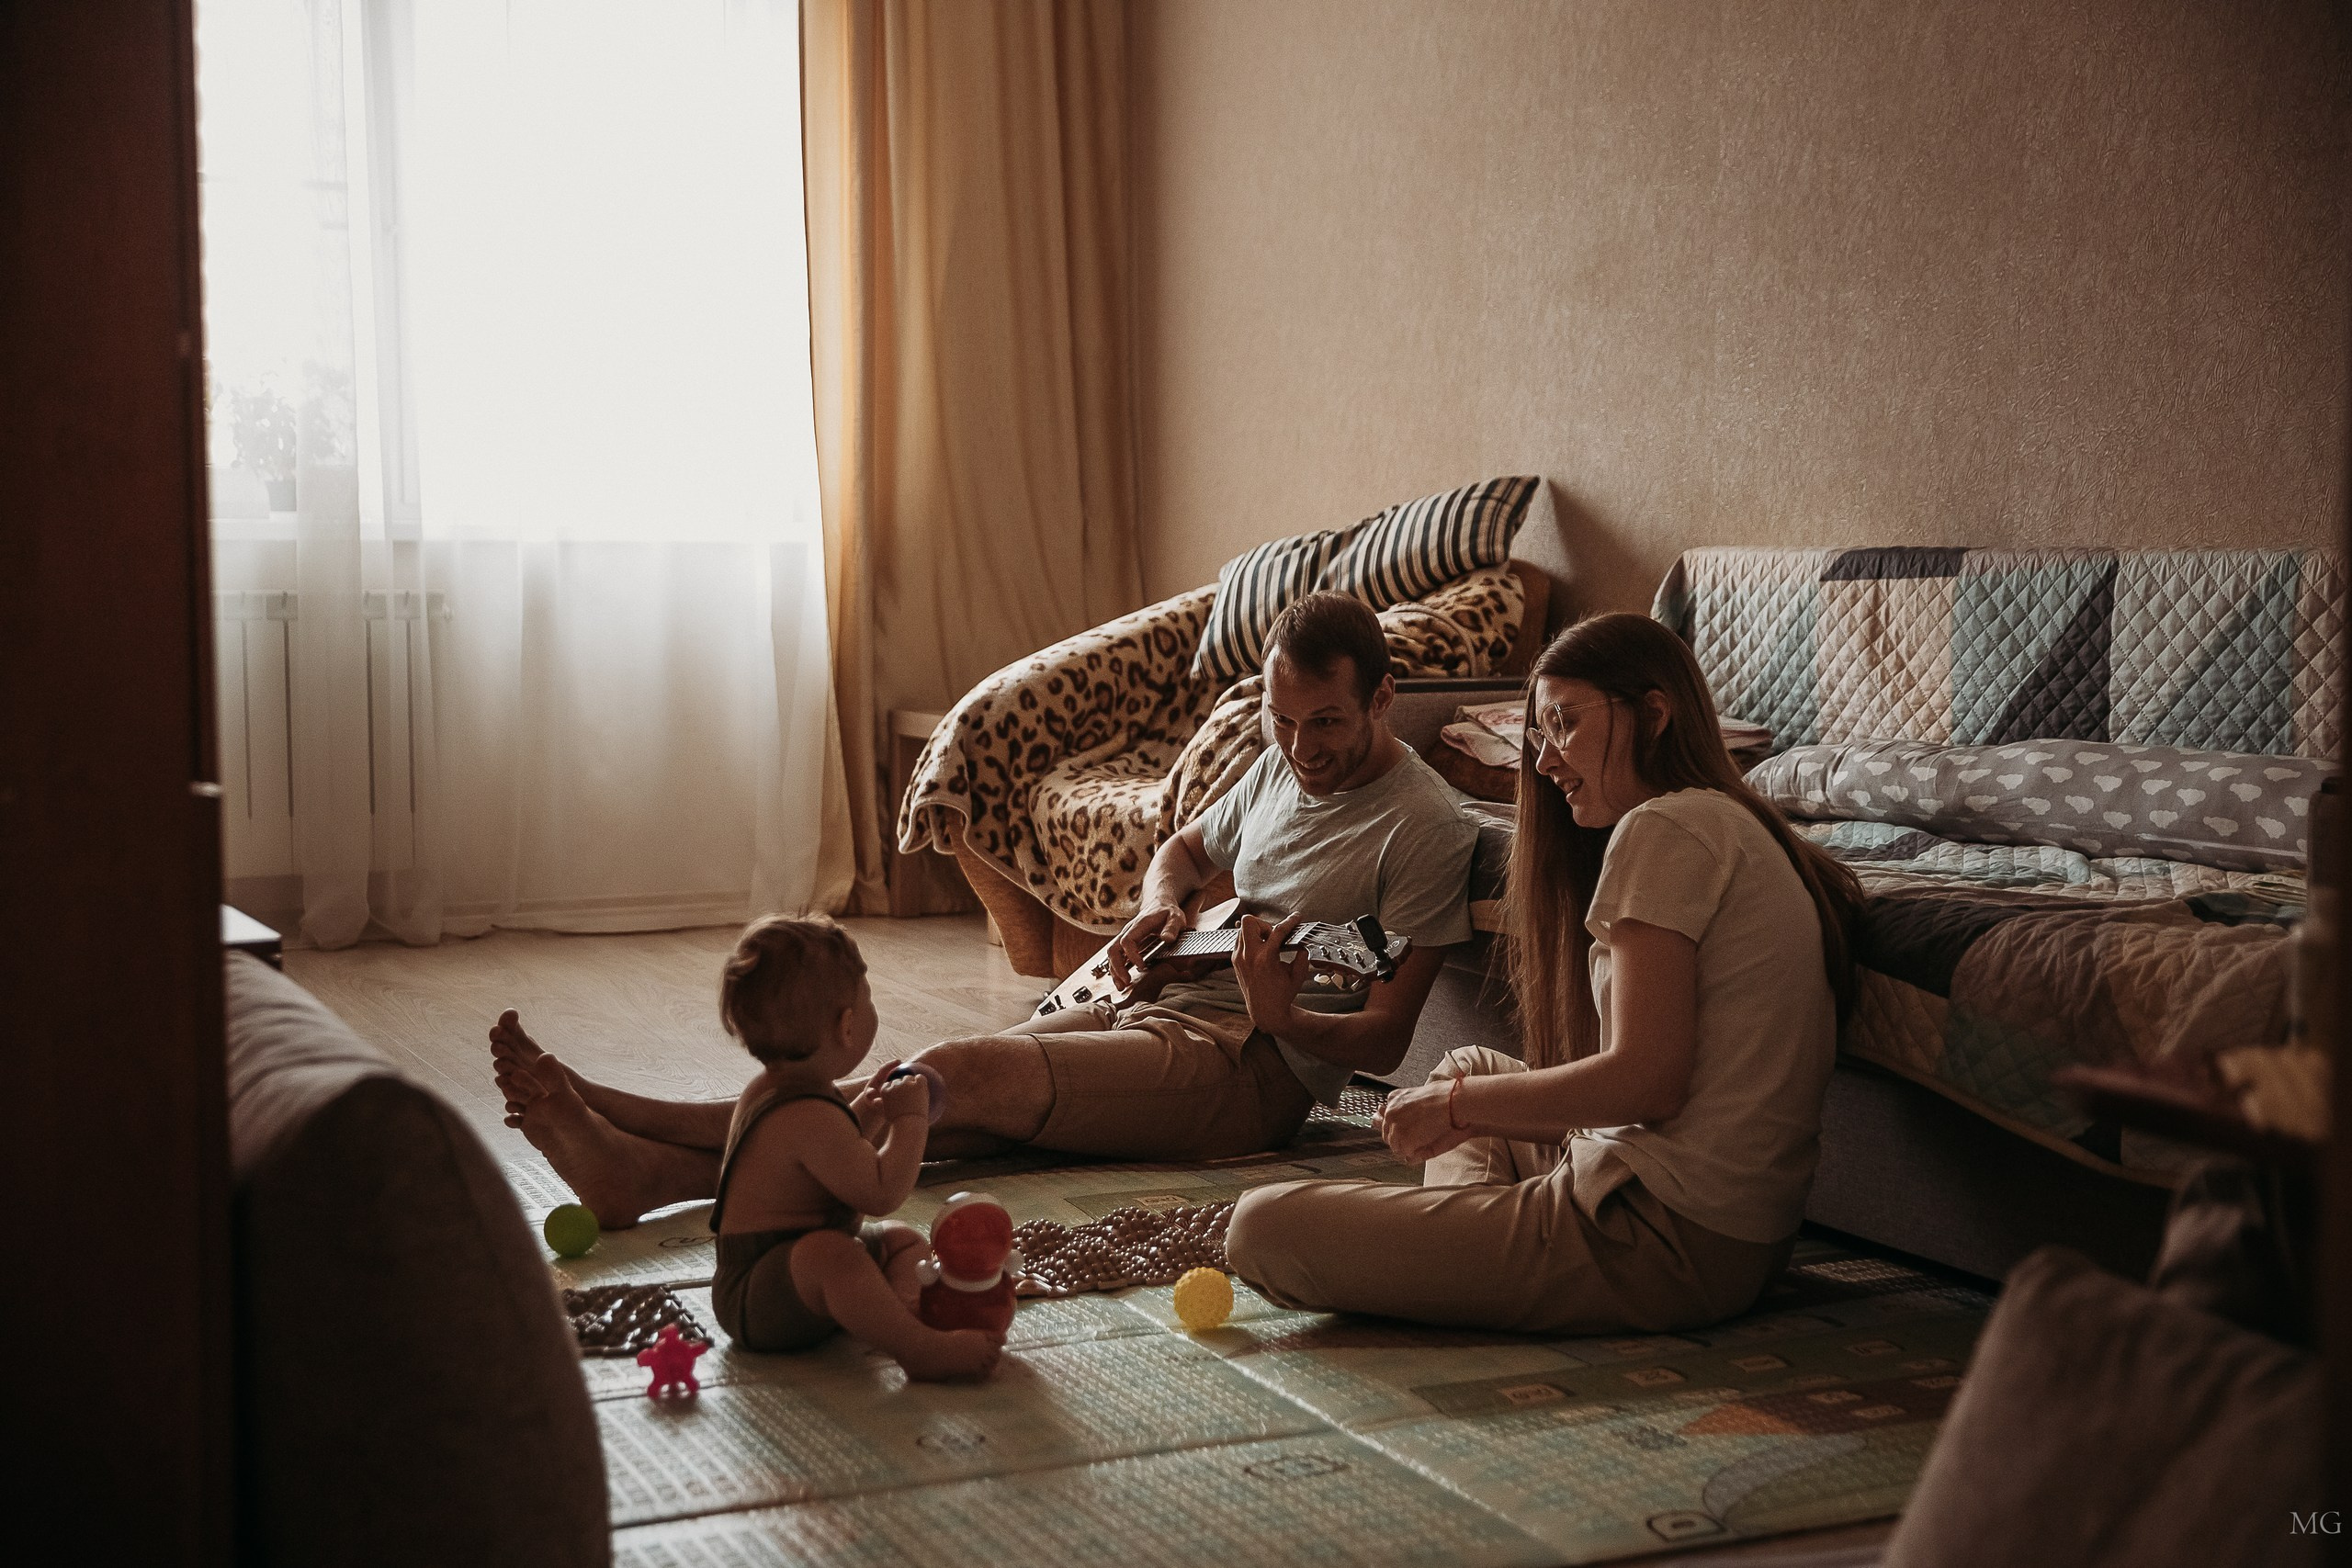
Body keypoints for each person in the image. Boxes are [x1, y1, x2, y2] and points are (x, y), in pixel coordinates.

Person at [489, 591, 1478, 1225]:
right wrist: (1159, 907)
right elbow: (1181, 848)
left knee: (950, 1073)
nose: (1301, 747)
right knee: (948, 1119)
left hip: (1246, 1073)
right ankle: (651, 1179)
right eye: (1283, 718)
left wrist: (1282, 1017)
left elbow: (1386, 1039)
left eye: (1328, 724)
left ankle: (631, 1112)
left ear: (1386, 698)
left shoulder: (1423, 827)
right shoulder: (1273, 762)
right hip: (1165, 1004)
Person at [1223, 612, 1864, 1336]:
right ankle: (1473, 1257)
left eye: (1565, 724)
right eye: (1540, 732)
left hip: (1661, 1235)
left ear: (1653, 714)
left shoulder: (1666, 829)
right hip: (1720, 1229)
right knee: (1467, 1063)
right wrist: (1465, 1098)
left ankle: (1468, 1260)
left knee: (1262, 1224)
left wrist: (1458, 1109)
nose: (1545, 760)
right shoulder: (1724, 822)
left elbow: (1648, 1082)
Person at [507, 916, 1001, 1380]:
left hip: (791, 1279)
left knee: (901, 1242)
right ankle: (918, 1350)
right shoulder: (809, 1115)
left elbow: (831, 1157)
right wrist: (911, 1121)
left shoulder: (773, 1089)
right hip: (759, 1300)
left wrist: (868, 1115)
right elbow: (879, 1191)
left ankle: (898, 1318)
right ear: (848, 1026)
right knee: (838, 1255)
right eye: (868, 1001)